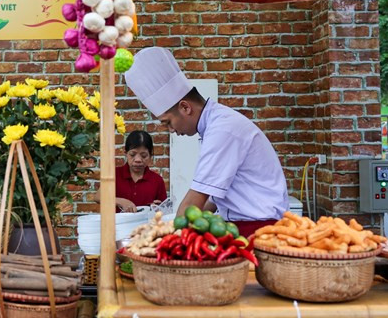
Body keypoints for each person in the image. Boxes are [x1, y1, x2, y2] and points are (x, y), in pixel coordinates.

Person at [124, 47, 289, 237]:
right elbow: (210, 199)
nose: (171, 130)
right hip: (241, 226)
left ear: (185, 107)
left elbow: (194, 202)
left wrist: (163, 237)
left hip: (258, 230)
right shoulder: (215, 124)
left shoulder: (222, 129)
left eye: (168, 122)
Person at [116, 130, 167, 212]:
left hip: (146, 224)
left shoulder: (157, 180)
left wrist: (157, 208)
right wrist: (120, 201)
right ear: (125, 153)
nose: (138, 160)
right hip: (117, 224)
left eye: (144, 156)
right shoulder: (115, 174)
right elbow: (98, 197)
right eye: (132, 154)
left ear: (150, 156)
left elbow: (163, 209)